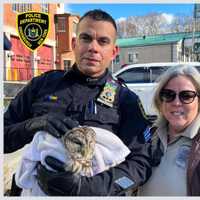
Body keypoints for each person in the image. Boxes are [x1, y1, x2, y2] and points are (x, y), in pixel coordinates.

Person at [4, 9, 152, 196]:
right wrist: (33, 126)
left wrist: (84, 187)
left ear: (114, 52)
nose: (93, 47)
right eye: (86, 38)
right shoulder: (42, 85)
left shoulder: (126, 100)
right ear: (74, 43)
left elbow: (142, 164)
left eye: (103, 41)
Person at [138, 64, 200, 196]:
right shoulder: (148, 136)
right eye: (168, 94)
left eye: (187, 96)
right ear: (160, 100)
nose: (176, 103)